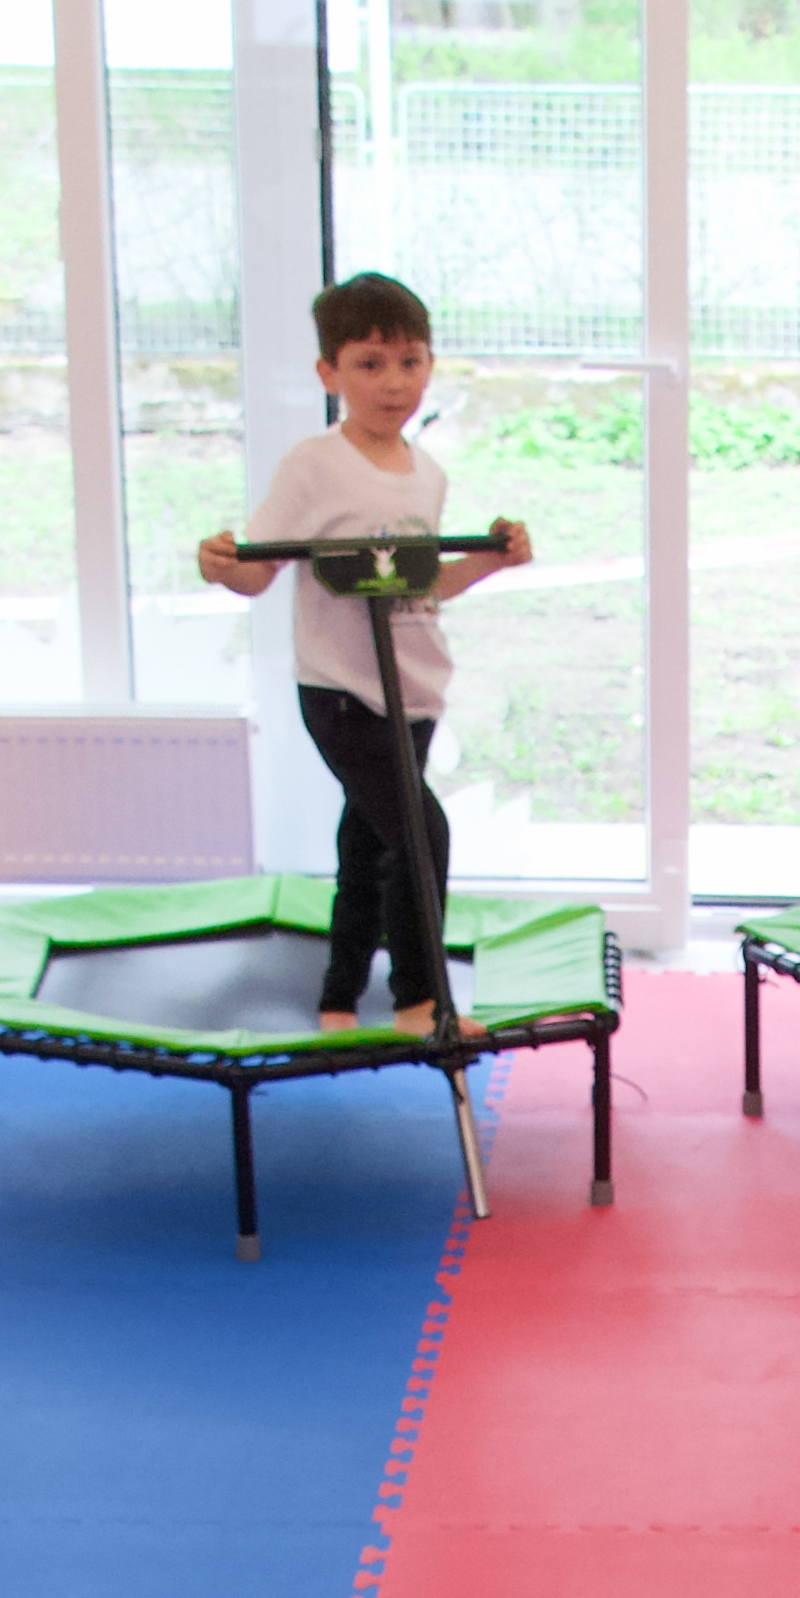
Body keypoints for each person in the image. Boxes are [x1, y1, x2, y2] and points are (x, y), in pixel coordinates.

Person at [198, 272, 532, 1038]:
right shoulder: (314, 465)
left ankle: (338, 998)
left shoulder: (427, 473)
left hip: (414, 691)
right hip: (344, 692)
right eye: (371, 364)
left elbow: (424, 586)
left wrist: (492, 559)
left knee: (370, 845)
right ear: (331, 374)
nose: (394, 383)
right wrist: (219, 563)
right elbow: (256, 571)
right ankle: (419, 1002)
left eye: (411, 362)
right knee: (421, 834)